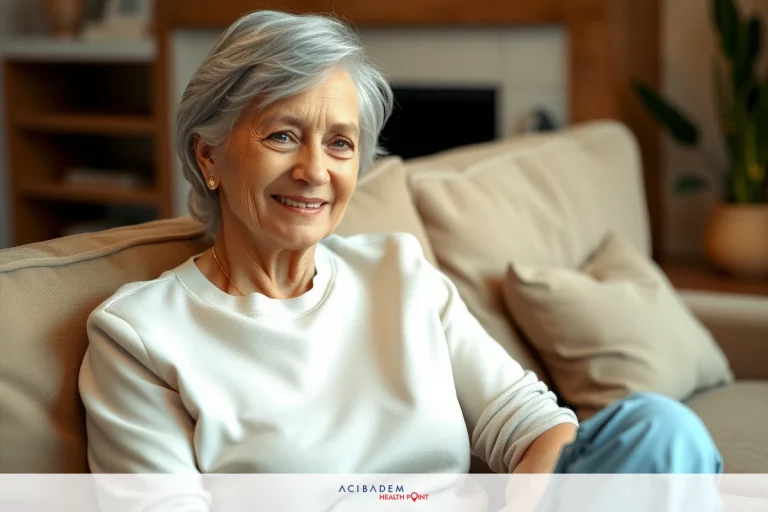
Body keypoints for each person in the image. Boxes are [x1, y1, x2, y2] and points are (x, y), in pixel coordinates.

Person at [78, 9, 722, 511]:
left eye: (339, 143)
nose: (313, 171)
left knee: (660, 431)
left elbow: (537, 426)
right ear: (209, 156)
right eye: (281, 135)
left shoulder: (398, 272)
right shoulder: (139, 337)